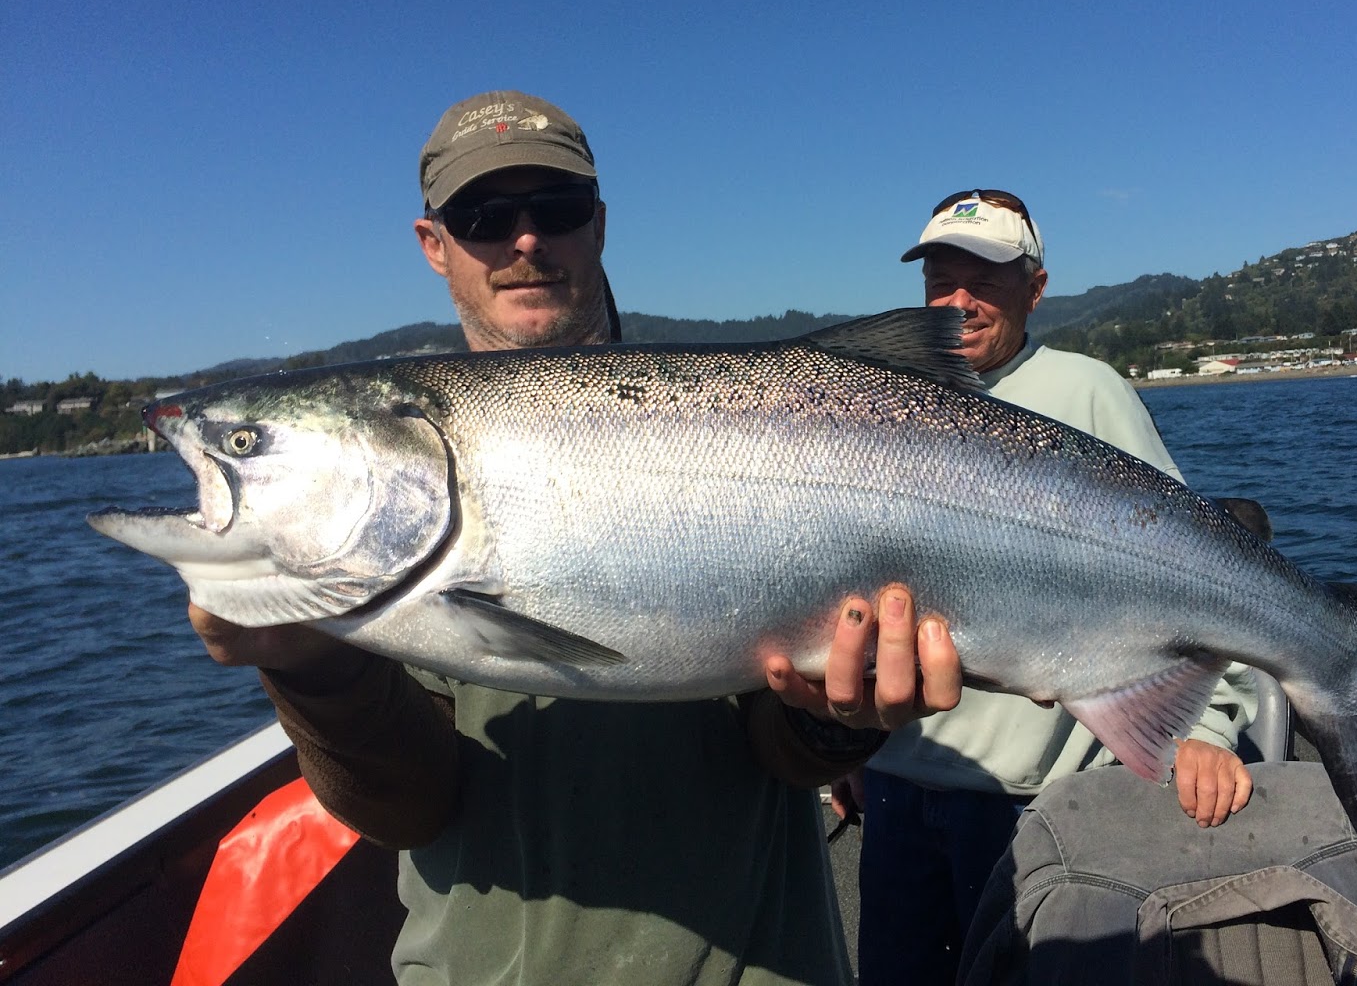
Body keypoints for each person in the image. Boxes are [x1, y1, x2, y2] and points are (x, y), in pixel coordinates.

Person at [186, 90, 965, 985]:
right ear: (434, 243)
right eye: (484, 216)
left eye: (554, 208)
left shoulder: (740, 428)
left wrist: (833, 722)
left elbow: (777, 753)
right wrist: (311, 668)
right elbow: (411, 808)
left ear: (596, 225)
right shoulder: (397, 500)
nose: (525, 239)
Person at [834, 189, 1259, 986]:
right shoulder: (881, 402)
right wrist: (844, 746)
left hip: (1035, 801)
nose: (958, 302)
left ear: (1035, 289)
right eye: (940, 282)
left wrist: (1211, 725)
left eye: (985, 282)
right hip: (895, 786)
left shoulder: (1087, 391)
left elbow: (1196, 567)